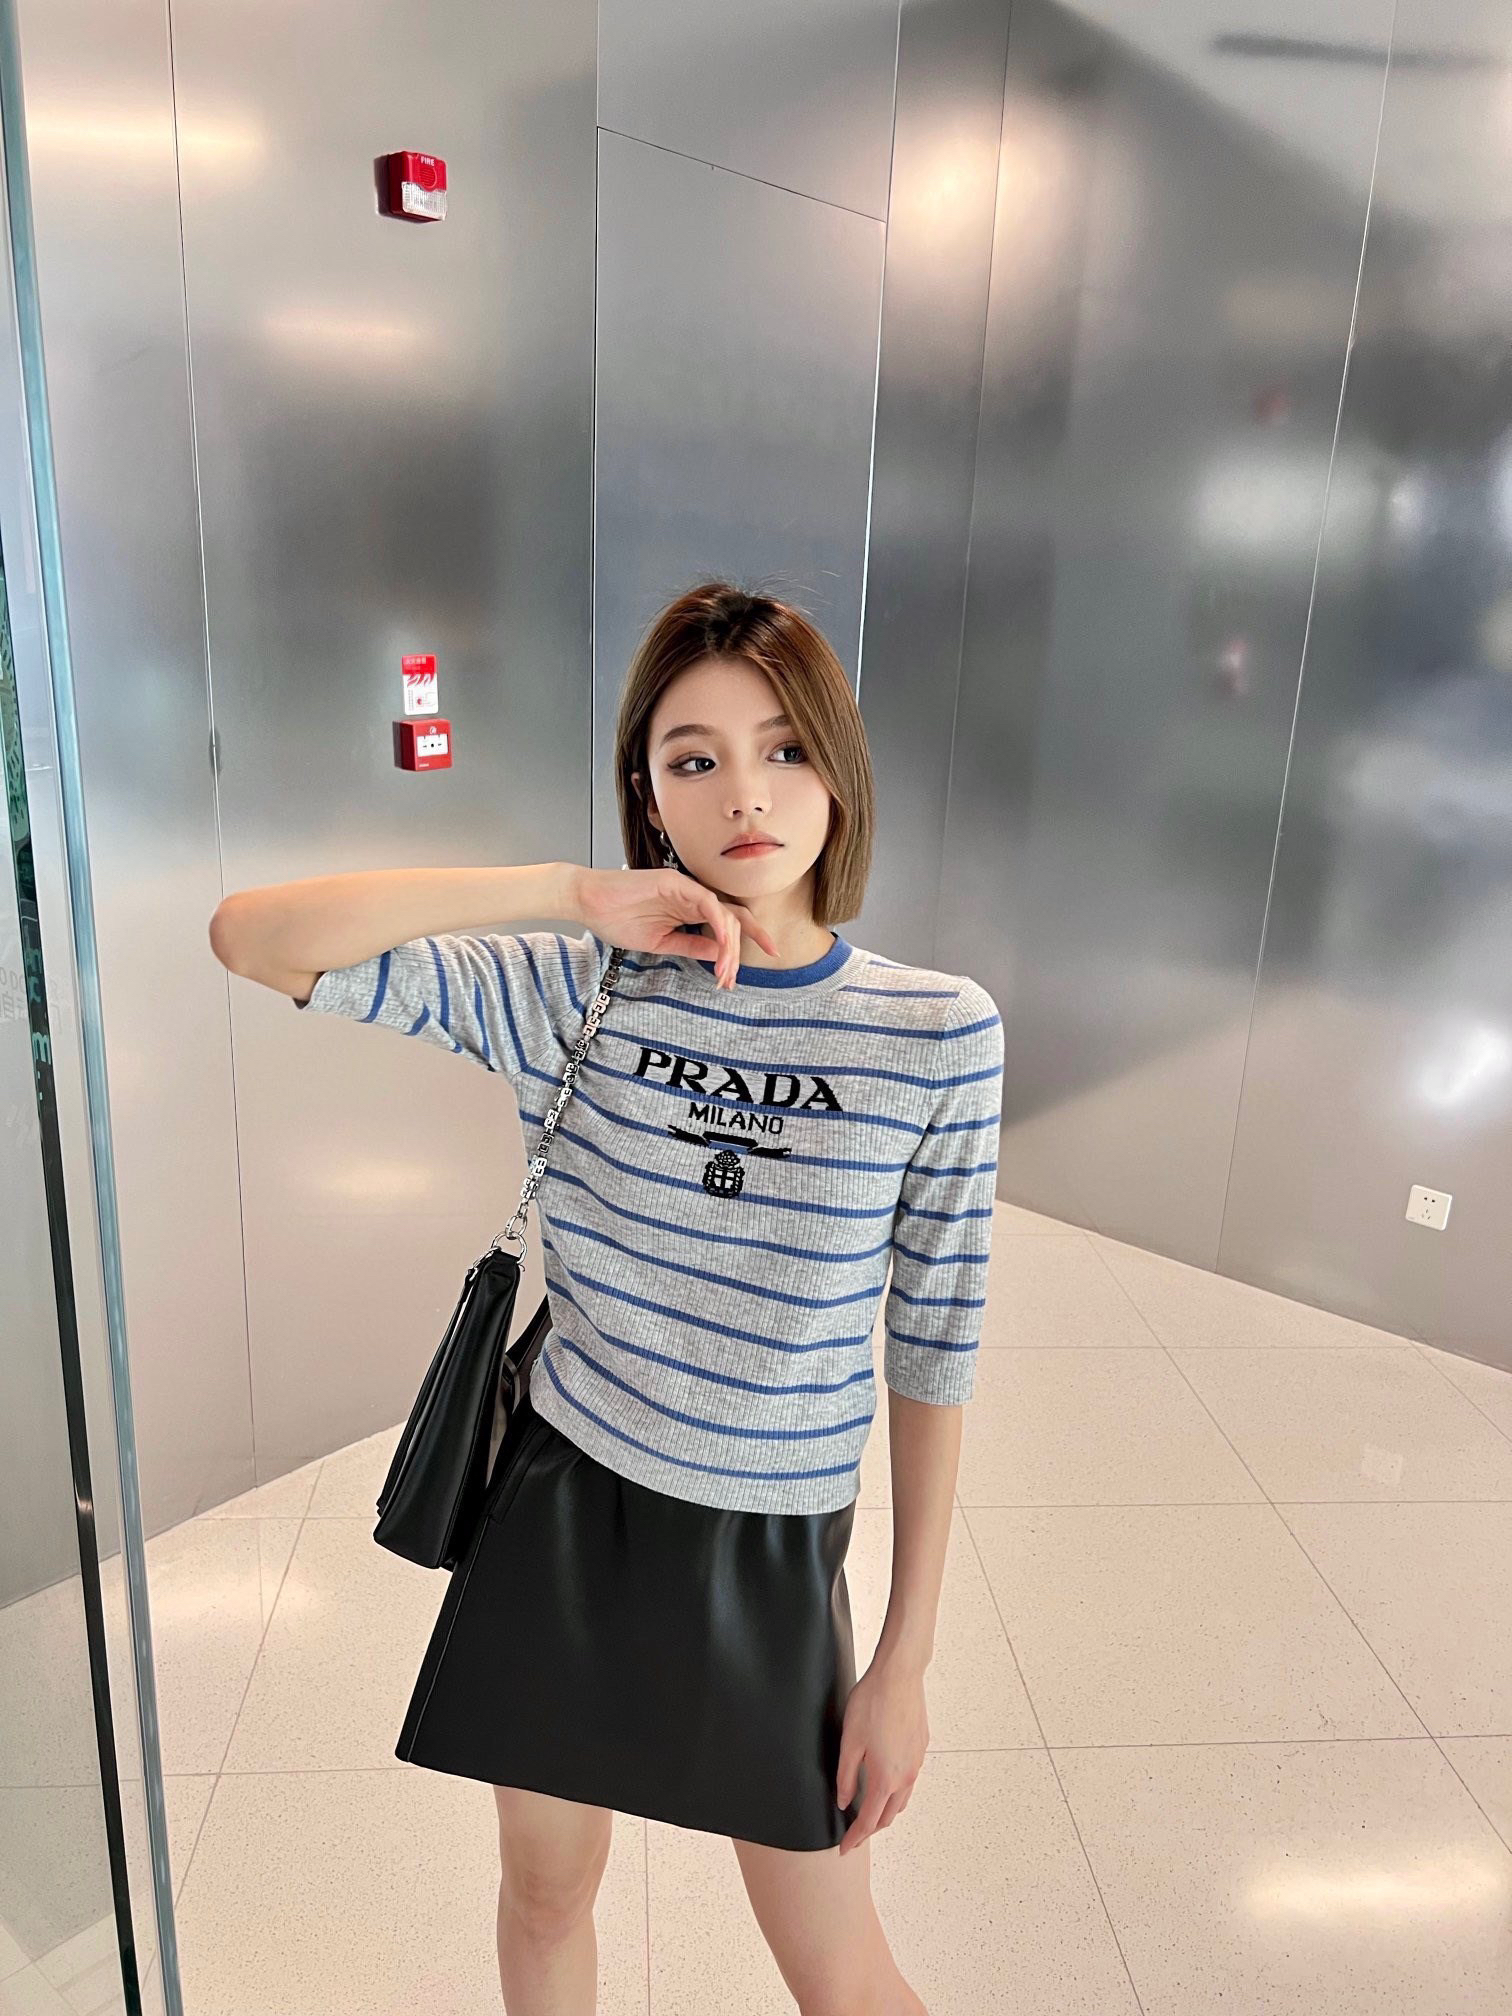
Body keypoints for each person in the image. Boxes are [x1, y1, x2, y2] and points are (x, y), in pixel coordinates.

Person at [209, 580, 1004, 2016]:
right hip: (566, 1512)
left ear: (840, 768)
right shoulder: (574, 987)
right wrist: (569, 893)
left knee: (839, 1968)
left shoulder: (936, 1032)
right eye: (693, 758)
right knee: (546, 1894)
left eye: (784, 747)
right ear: (647, 794)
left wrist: (904, 1661)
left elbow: (934, 1352)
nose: (744, 793)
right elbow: (254, 937)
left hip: (771, 1546)